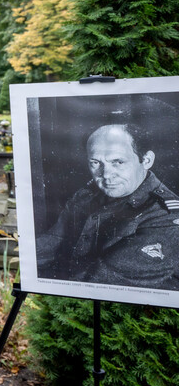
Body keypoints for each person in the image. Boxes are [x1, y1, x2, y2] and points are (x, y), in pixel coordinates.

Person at [36, 123, 179, 289]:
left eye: (118, 162)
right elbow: (51, 243)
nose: (106, 175)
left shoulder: (166, 216)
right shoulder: (87, 196)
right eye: (96, 163)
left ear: (146, 160)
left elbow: (98, 280)